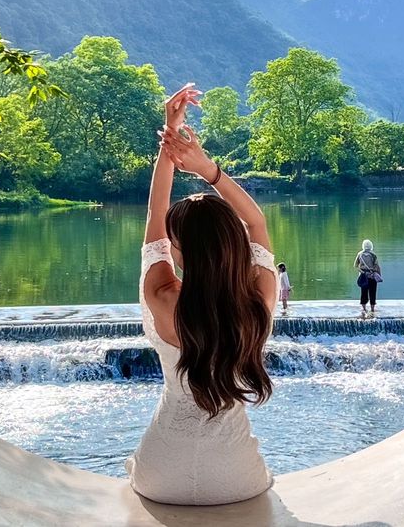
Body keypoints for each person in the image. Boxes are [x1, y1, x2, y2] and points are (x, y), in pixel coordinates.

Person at [125, 84, 279, 505]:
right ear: (234, 244)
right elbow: (258, 223)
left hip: (160, 474)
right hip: (237, 477)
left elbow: (156, 214)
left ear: (176, 250)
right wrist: (207, 169)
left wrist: (168, 143)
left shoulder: (161, 295)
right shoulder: (258, 300)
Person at [354, 239, 381, 319]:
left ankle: (364, 308)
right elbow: (377, 266)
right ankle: (372, 309)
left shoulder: (359, 254)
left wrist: (361, 271)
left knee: (364, 292)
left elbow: (355, 265)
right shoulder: (373, 254)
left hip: (363, 276)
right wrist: (378, 275)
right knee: (373, 292)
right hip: (372, 276)